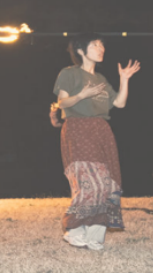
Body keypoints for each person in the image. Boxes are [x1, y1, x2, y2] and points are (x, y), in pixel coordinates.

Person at [53, 33, 140, 251]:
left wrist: (124, 79)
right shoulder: (69, 73)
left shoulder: (101, 80)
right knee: (89, 180)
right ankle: (73, 228)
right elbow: (62, 102)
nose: (101, 48)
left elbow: (119, 104)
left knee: (108, 183)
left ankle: (94, 234)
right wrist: (82, 95)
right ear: (81, 50)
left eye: (102, 44)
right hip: (78, 128)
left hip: (102, 129)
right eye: (95, 44)